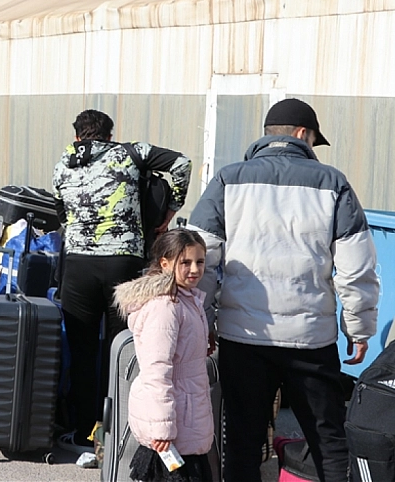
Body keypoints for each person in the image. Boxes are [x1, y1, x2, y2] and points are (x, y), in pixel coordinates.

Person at [188, 98, 380, 482]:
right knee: (327, 440)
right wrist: (358, 327)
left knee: (242, 442)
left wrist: (202, 319)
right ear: (301, 134)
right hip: (310, 339)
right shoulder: (333, 182)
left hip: (243, 337)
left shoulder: (228, 179)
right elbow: (356, 266)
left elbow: (201, 258)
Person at [52, 109, 192, 453]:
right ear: (109, 135)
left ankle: (84, 429)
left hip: (79, 266)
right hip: (123, 264)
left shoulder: (62, 164)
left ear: (77, 136)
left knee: (83, 350)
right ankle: (122, 428)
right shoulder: (131, 153)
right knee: (125, 347)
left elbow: (61, 214)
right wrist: (170, 210)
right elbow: (182, 164)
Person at [113, 229, 213, 482]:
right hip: (172, 422)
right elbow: (156, 370)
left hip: (185, 414)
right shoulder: (165, 306)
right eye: (185, 262)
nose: (194, 269)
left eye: (199, 262)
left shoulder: (186, 300)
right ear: (165, 264)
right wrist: (162, 428)